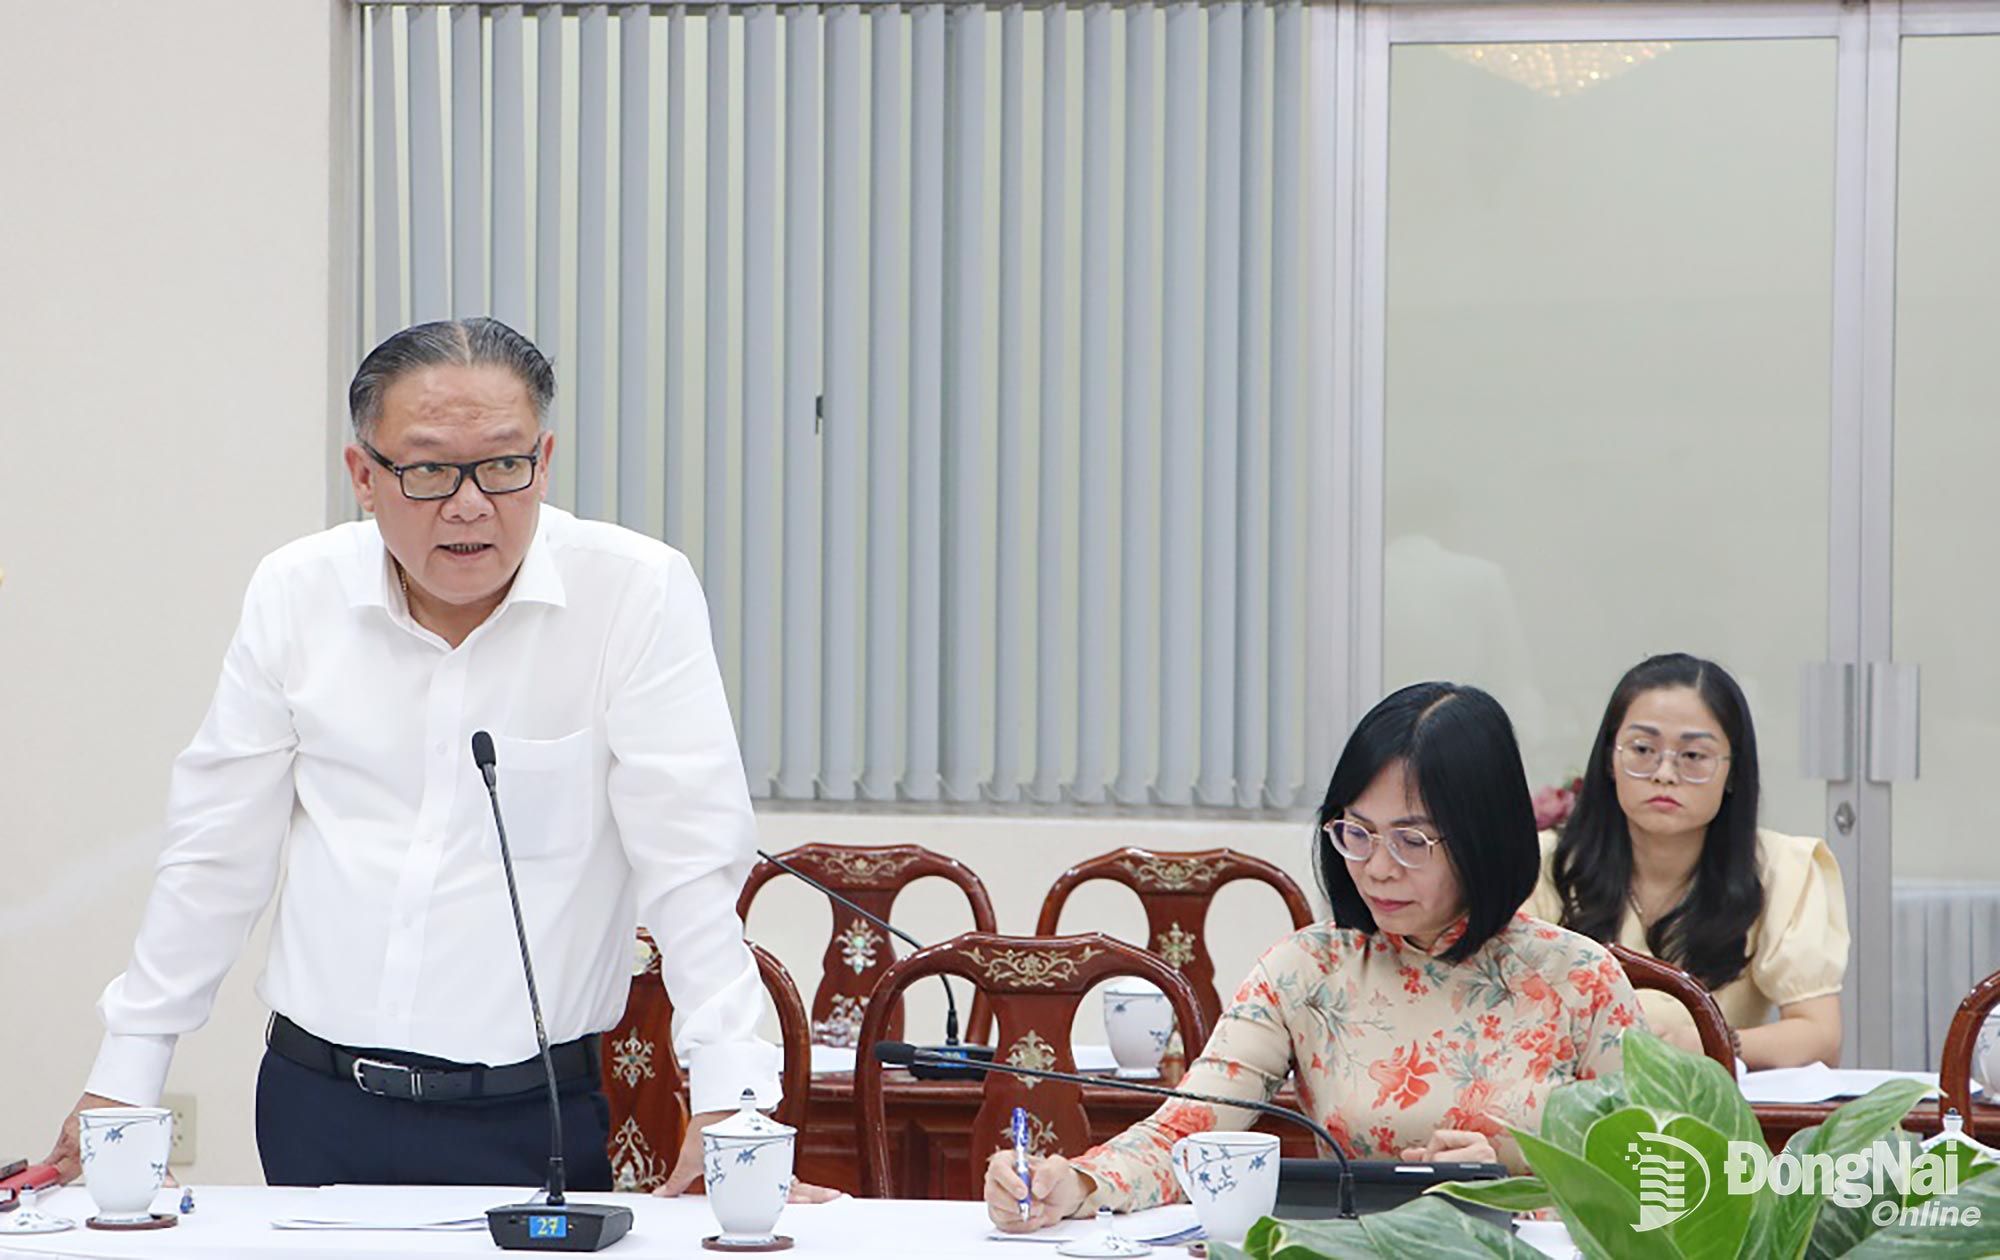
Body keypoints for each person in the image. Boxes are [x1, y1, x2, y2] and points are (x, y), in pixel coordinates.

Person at [44, 318, 832, 1198]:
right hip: (317, 1102)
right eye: (426, 470)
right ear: (364, 477)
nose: (469, 504)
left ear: (546, 457)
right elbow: (216, 853)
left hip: (532, 1111)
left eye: (503, 465)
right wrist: (126, 1070)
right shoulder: (297, 594)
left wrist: (732, 1099)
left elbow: (690, 864)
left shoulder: (633, 595)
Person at [985, 682, 1643, 1229]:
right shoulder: (1308, 973)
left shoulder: (1578, 981)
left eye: (1412, 842)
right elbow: (1190, 1128)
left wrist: (1514, 1189)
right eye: (1356, 834)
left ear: (1485, 838)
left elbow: (1662, 1189)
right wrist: (1076, 1183)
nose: (1377, 869)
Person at [1526, 652, 1847, 1070]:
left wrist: (1702, 1042)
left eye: (1693, 756)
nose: (1664, 773)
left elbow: (1819, 1038)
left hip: (1708, 1115)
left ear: (1732, 772)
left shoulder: (1783, 869)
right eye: (1642, 749)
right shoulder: (1541, 864)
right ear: (1609, 760)